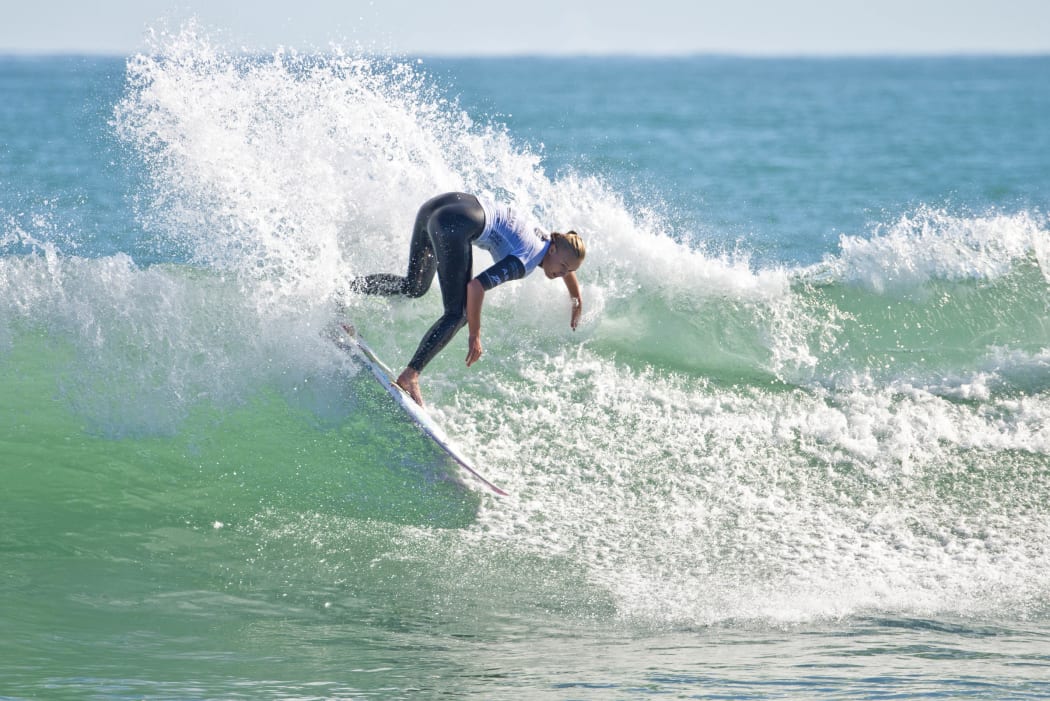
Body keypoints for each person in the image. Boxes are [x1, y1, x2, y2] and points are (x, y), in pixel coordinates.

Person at [349, 192, 586, 407]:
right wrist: (475, 334)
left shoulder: (548, 239)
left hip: (437, 207)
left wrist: (577, 299)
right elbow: (476, 287)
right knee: (459, 313)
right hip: (452, 225)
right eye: (563, 268)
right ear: (553, 250)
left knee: (415, 286)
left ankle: (346, 288)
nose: (563, 274)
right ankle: (411, 375)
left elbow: (568, 263)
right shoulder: (525, 261)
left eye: (568, 271)